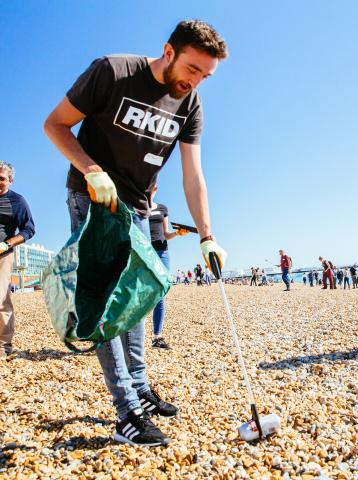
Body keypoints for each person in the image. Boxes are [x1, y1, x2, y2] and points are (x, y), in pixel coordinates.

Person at [44, 20, 229, 446]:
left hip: (138, 207)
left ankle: (141, 387)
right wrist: (91, 170)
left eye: (205, 75)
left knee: (137, 297)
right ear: (169, 51)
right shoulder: (112, 72)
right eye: (192, 69)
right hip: (95, 198)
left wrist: (206, 235)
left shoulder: (190, 104)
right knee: (106, 302)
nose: (195, 81)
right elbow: (54, 125)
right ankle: (126, 410)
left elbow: (193, 175)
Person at [0, 162, 36, 358]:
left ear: (10, 181)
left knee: (0, 299)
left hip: (2, 254)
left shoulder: (17, 201)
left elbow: (29, 229)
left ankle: (3, 346)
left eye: (2, 179)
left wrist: (7, 244)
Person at [148, 186, 188, 349]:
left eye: (154, 186)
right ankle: (129, 338)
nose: (151, 188)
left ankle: (157, 337)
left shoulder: (163, 208)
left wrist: (178, 233)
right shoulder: (137, 206)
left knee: (161, 293)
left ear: (156, 188)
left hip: (162, 252)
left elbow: (166, 233)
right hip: (144, 252)